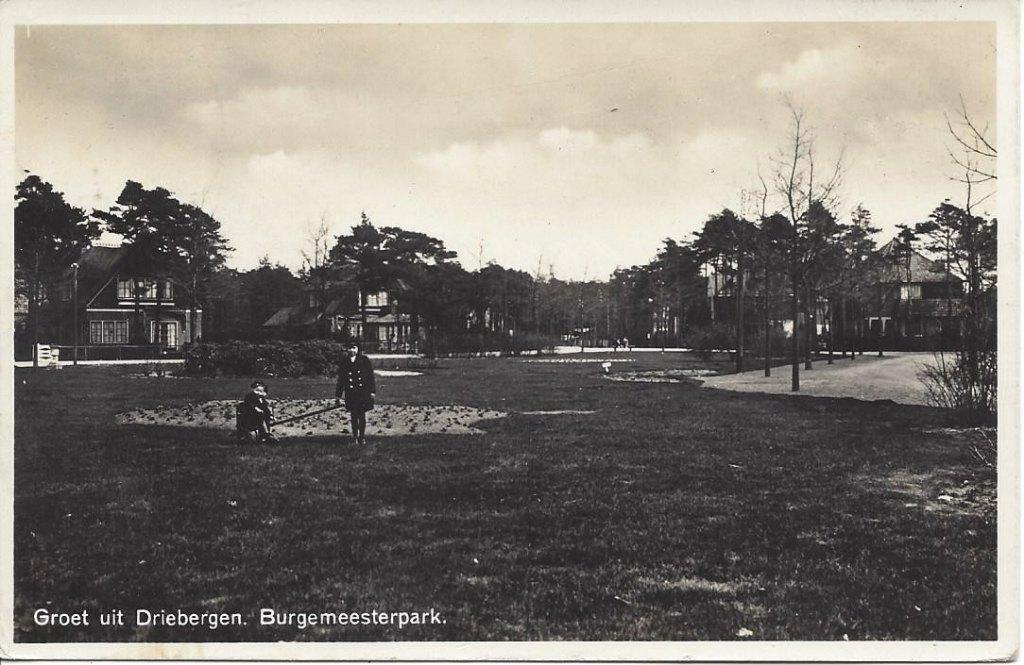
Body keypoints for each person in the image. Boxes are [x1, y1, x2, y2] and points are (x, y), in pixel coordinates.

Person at [335, 341, 375, 445]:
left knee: (361, 416)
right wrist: (338, 395)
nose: (351, 350)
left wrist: (372, 391)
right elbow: (341, 380)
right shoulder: (345, 362)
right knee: (353, 416)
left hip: (362, 393)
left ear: (357, 349)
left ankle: (362, 437)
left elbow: (370, 376)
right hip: (351, 393)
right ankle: (355, 437)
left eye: (354, 348)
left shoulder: (364, 360)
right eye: (349, 348)